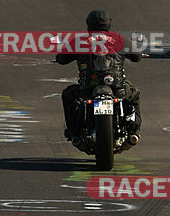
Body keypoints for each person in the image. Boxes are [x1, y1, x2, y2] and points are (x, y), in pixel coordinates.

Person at [57, 9, 142, 144]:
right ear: (109, 23)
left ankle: (73, 132)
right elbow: (137, 57)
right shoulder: (119, 39)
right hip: (117, 88)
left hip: (87, 89)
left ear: (88, 24)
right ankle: (134, 132)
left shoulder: (79, 40)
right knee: (134, 93)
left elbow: (61, 59)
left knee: (68, 95)